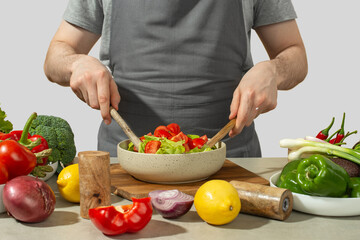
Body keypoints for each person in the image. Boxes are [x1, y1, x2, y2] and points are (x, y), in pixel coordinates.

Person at [44, 0, 307, 157]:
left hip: (230, 161)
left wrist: (273, 70)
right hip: (125, 159)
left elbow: (295, 56)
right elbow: (56, 57)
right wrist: (77, 63)